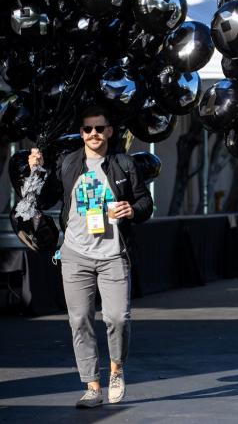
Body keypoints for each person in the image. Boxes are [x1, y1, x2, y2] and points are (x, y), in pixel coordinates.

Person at [28, 105, 153, 408]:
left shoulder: (123, 164)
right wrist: (36, 170)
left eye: (99, 128)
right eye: (88, 129)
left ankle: (116, 370)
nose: (94, 134)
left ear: (109, 131)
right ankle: (92, 386)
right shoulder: (68, 163)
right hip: (75, 254)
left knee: (117, 318)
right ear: (81, 133)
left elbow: (145, 203)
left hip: (113, 255)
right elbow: (43, 200)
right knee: (80, 319)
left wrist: (132, 210)